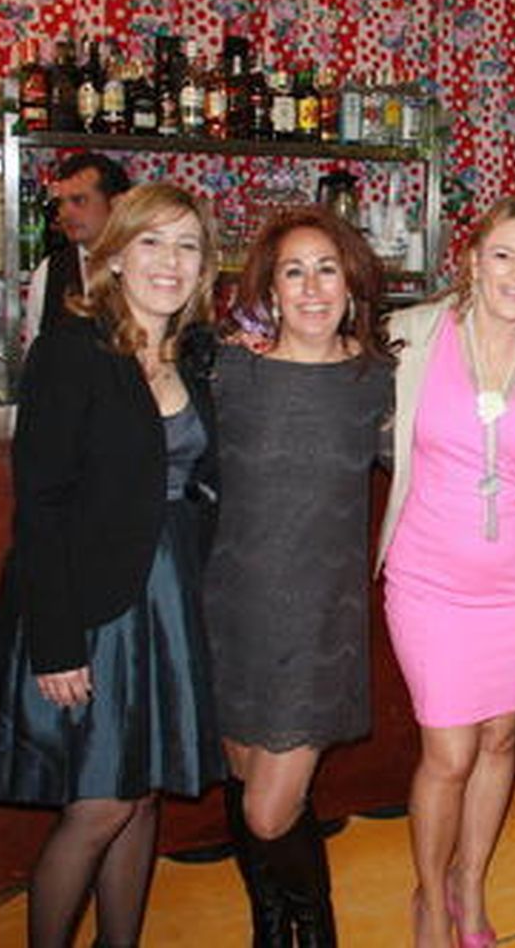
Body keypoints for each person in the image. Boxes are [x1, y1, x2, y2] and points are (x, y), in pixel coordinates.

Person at [0, 183, 223, 948]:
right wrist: (56, 639)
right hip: (95, 605)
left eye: (187, 245)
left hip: (169, 598)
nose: (169, 262)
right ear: (113, 256)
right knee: (100, 803)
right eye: (152, 242)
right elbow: (39, 505)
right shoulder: (72, 351)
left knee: (142, 796)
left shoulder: (194, 353)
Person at [378, 196, 515, 948]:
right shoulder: (412, 336)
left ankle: (470, 882)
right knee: (449, 750)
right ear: (472, 259)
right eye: (503, 254)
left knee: (499, 740)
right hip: (430, 579)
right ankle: (429, 896)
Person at [201, 207, 392, 947]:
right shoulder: (228, 368)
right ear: (269, 289)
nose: (312, 288)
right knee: (248, 786)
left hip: (318, 622)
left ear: (350, 285)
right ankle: (272, 921)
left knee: (268, 810)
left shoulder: (376, 379)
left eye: (327, 269)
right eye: (293, 270)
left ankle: (316, 924)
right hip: (230, 611)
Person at [22, 152, 132, 348]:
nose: (65, 213)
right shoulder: (49, 271)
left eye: (79, 201)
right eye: (61, 203)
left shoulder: (147, 265)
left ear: (117, 204)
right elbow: (36, 357)